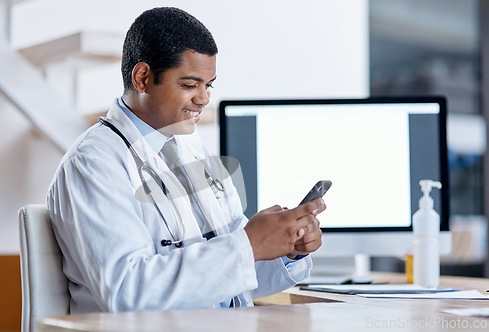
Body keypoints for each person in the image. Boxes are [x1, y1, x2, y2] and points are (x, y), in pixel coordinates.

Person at [47, 7, 325, 313]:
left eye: (209, 85)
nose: (204, 99)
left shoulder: (194, 150)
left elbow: (233, 278)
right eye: (190, 85)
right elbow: (127, 292)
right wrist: (249, 245)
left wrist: (285, 248)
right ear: (142, 78)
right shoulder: (94, 163)